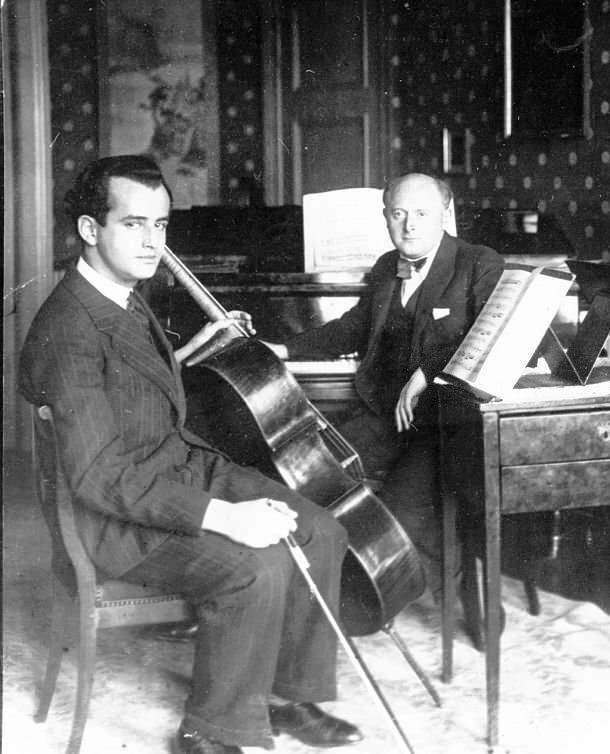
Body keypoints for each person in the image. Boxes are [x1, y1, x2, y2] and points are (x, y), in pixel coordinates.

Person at [19, 155, 365, 754]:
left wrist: (202, 346)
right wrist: (227, 517)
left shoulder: (120, 292)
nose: (154, 242)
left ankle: (287, 697)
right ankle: (210, 731)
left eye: (161, 225)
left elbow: (136, 388)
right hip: (117, 517)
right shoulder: (67, 330)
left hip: (175, 469)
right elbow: (100, 477)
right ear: (88, 229)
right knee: (256, 566)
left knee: (321, 531)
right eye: (134, 224)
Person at [265, 173, 505, 649]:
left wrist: (429, 372)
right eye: (398, 214)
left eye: (422, 214)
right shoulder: (386, 267)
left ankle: (459, 584)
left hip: (445, 426)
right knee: (307, 474)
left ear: (446, 214)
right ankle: (309, 598)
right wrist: (284, 348)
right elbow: (352, 329)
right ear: (386, 218)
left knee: (393, 520)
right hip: (383, 417)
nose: (409, 225)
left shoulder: (478, 263)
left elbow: (491, 338)